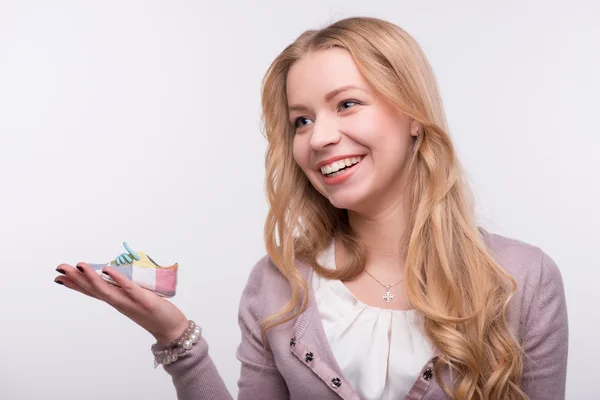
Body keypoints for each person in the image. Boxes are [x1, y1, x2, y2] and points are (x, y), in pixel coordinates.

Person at [53, 16, 568, 400]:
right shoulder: (277, 288)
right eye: (300, 120)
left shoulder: (522, 280)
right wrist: (176, 338)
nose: (319, 137)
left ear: (413, 114)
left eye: (346, 104)